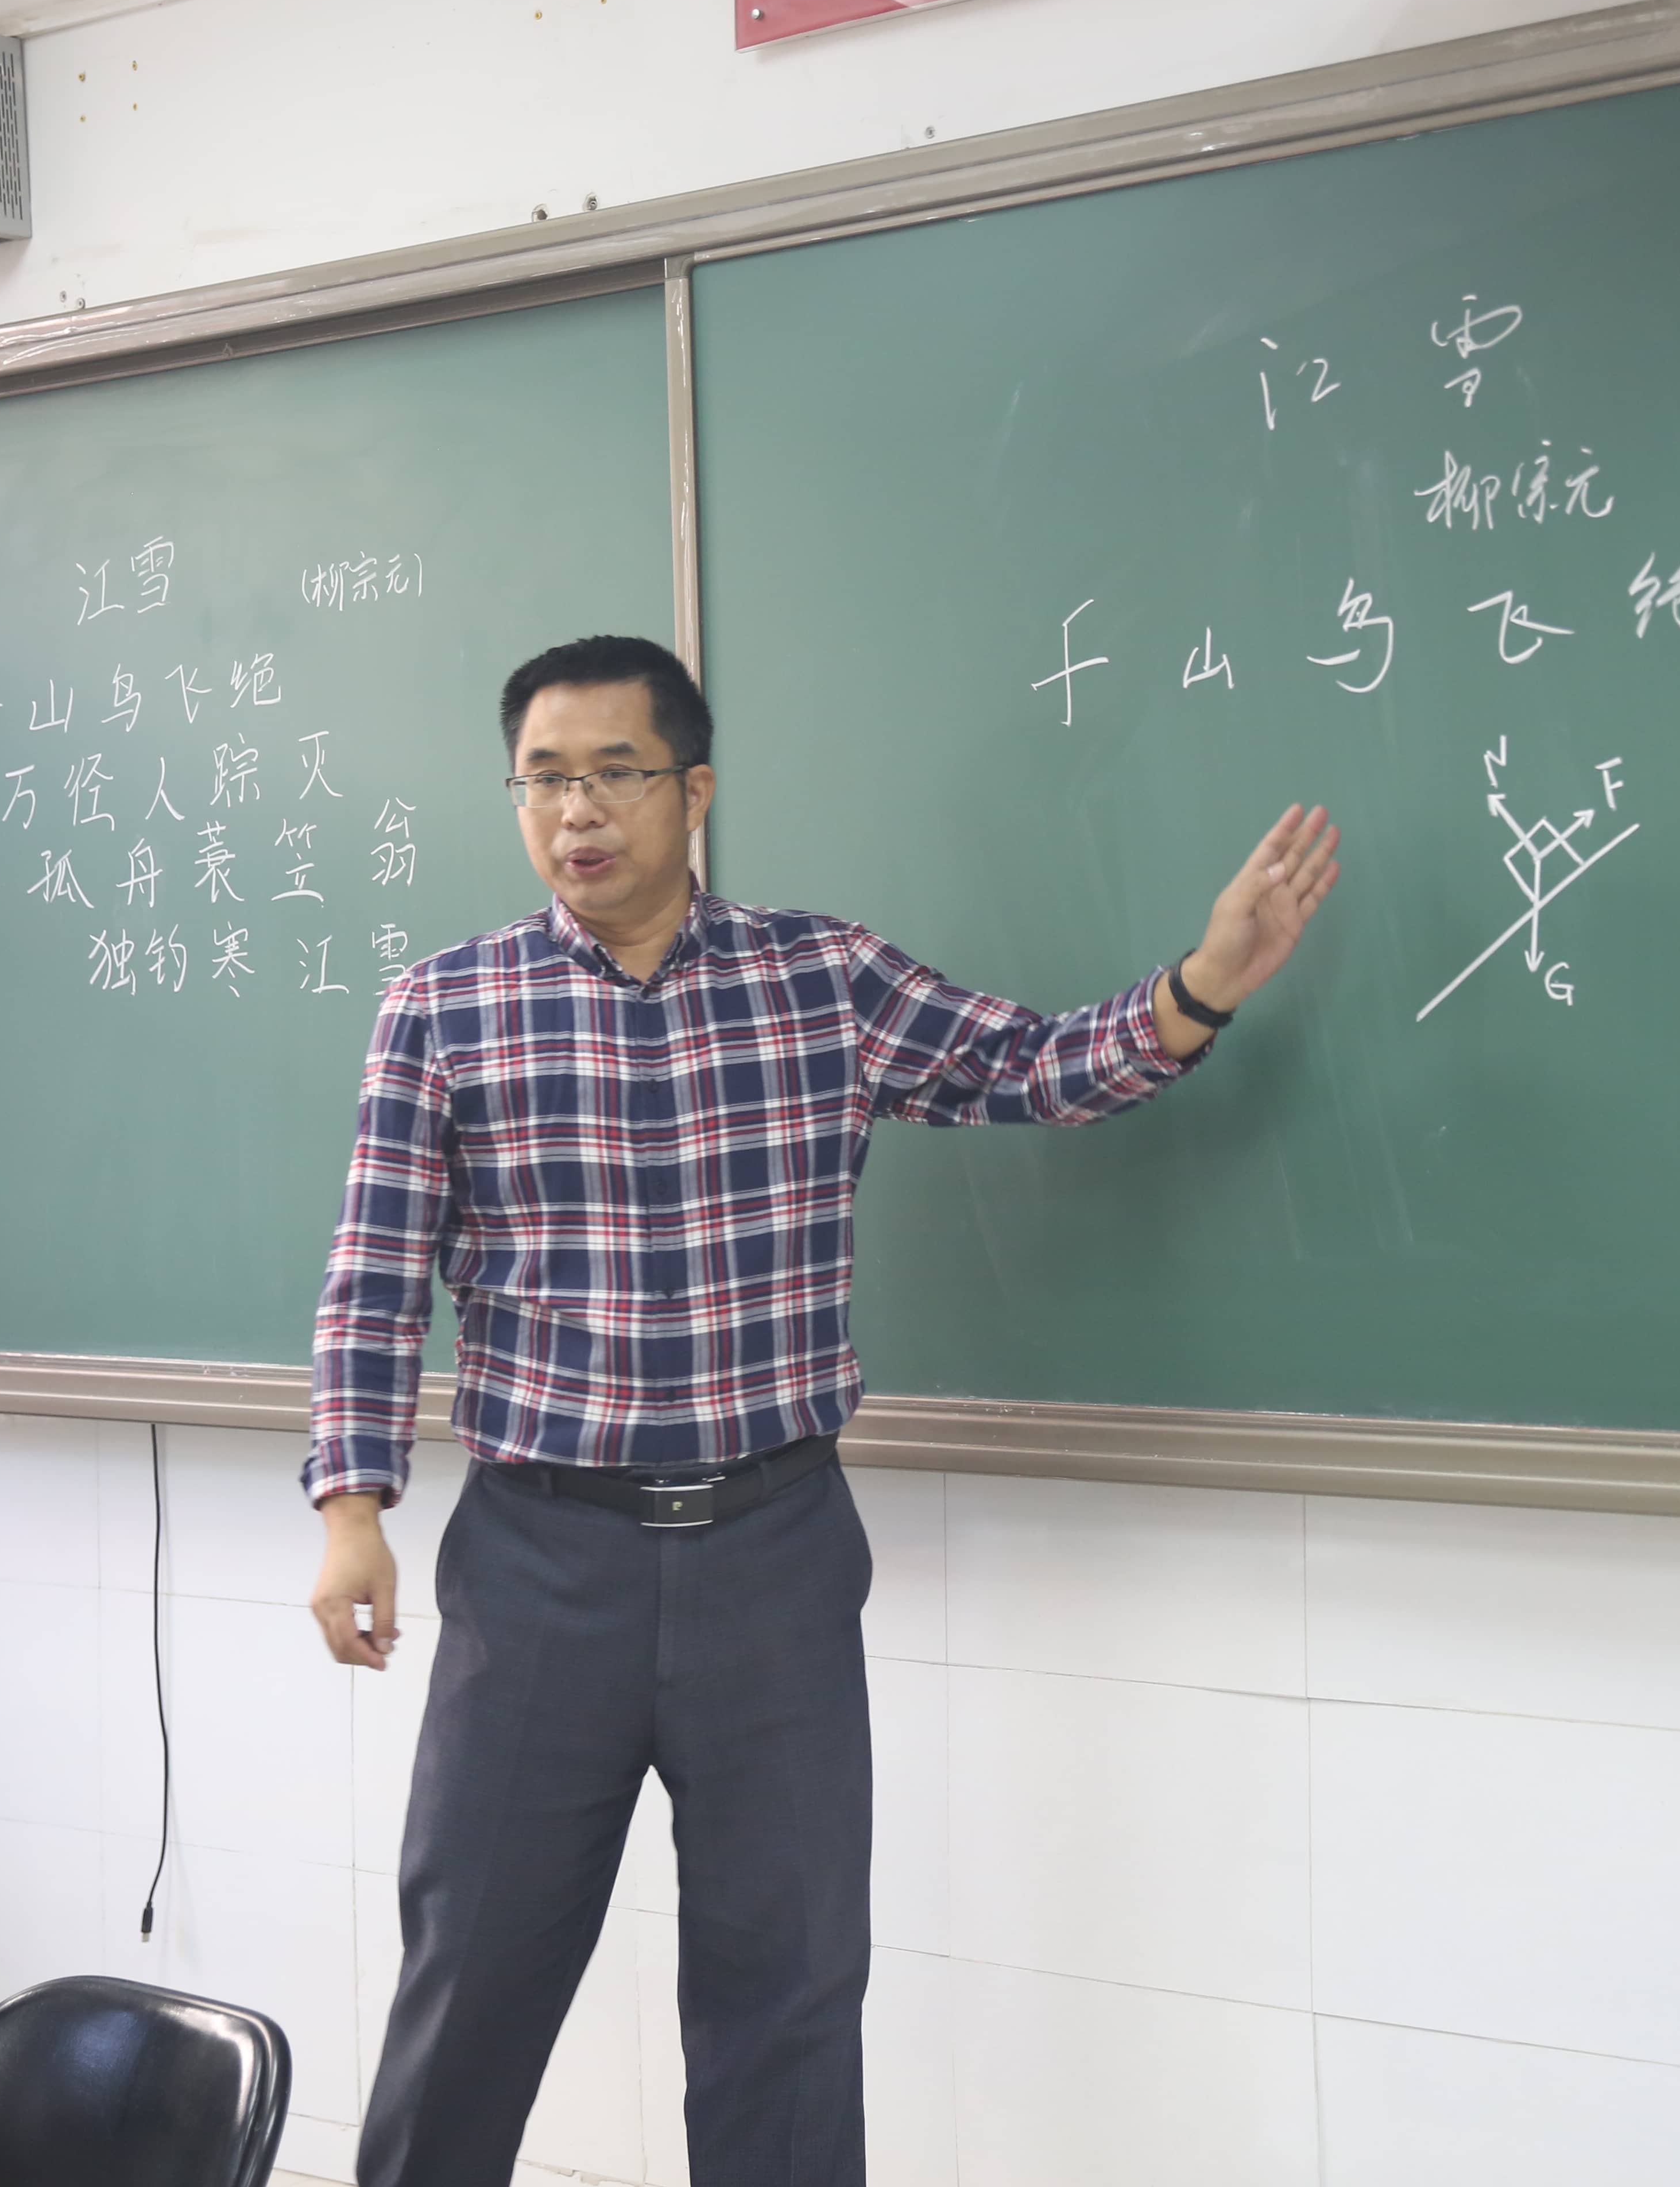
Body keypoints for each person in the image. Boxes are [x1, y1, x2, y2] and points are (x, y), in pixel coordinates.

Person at [304, 634, 1338, 2186]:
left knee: (786, 1997)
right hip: (539, 1561)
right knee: (472, 1977)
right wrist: (353, 1512)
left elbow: (1032, 1069)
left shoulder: (823, 979)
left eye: (615, 773)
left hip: (771, 1554)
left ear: (695, 790)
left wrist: (1202, 987)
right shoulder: (446, 1007)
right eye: (543, 780)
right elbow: (374, 1274)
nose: (577, 812)